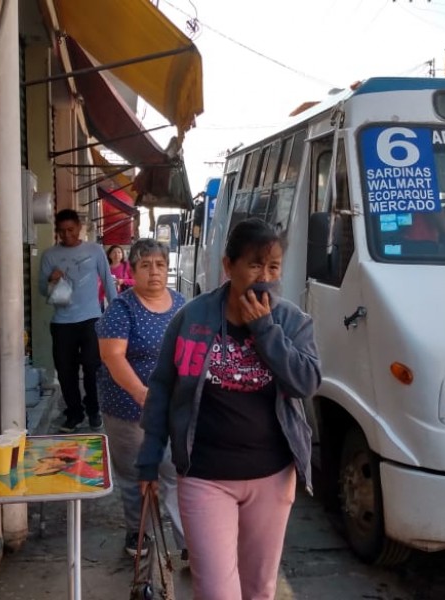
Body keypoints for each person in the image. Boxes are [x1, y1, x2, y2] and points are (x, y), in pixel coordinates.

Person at [136, 218, 321, 600]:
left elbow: (305, 382)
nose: (264, 277)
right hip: (205, 475)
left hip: (271, 475)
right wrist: (149, 460)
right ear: (228, 266)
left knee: (258, 589)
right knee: (218, 591)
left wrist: (266, 330)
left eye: (273, 267)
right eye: (254, 265)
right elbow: (162, 387)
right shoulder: (192, 318)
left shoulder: (290, 321)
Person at [95, 239, 187, 558]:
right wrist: (141, 393)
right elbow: (113, 356)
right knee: (135, 476)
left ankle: (187, 541)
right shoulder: (122, 308)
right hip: (127, 409)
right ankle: (139, 533)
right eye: (145, 265)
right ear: (132, 271)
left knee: (176, 472)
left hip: (172, 409)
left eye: (160, 265)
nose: (154, 272)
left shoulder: (182, 306)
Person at [39, 209, 117, 433]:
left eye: (70, 230)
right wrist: (50, 279)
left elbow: (108, 282)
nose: (67, 235)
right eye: (62, 231)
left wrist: (118, 312)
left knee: (92, 367)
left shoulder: (95, 250)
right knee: (65, 371)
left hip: (91, 319)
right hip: (62, 322)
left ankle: (93, 410)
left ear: (79, 228)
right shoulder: (49, 256)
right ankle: (74, 413)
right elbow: (43, 290)